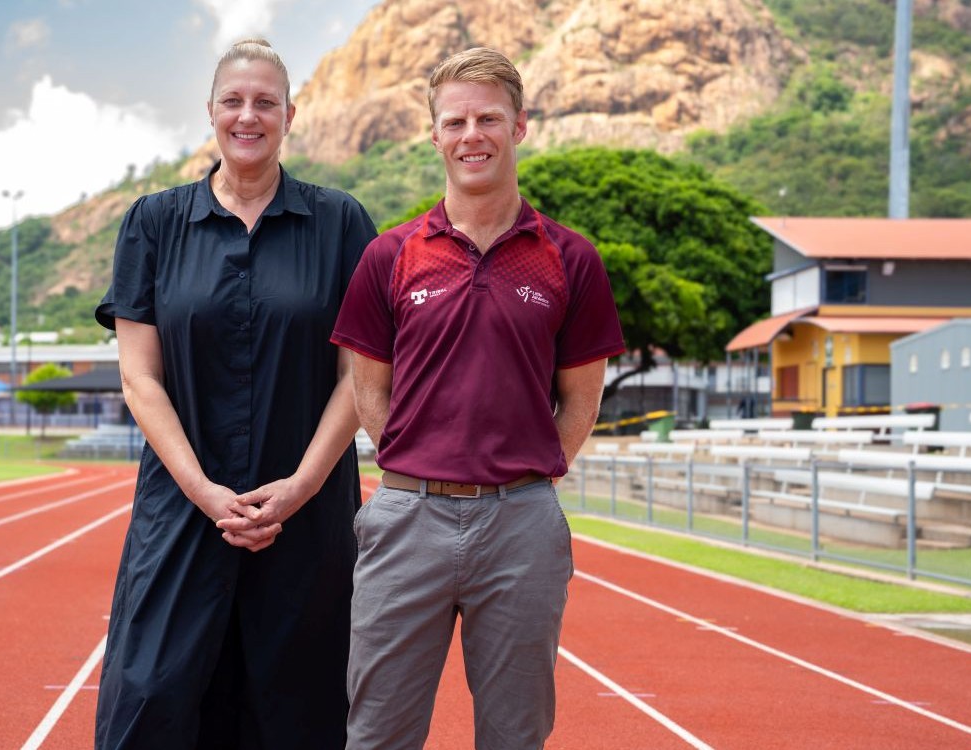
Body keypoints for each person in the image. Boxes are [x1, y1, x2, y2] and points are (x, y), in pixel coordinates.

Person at [330, 47, 625, 749]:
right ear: (434, 135)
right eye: (456, 121)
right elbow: (368, 389)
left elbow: (582, 400)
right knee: (377, 734)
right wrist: (418, 465)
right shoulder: (390, 256)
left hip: (521, 522)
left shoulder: (571, 258)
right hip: (407, 518)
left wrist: (527, 477)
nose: (473, 135)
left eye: (488, 118)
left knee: (516, 735)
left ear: (519, 126)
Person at [92, 38, 377, 749]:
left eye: (265, 103)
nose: (248, 116)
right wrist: (203, 491)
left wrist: (300, 487)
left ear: (290, 115)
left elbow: (361, 377)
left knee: (299, 713)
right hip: (182, 510)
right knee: (151, 701)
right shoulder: (154, 223)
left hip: (306, 515)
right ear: (211, 112)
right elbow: (140, 377)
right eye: (234, 101)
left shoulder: (341, 223)